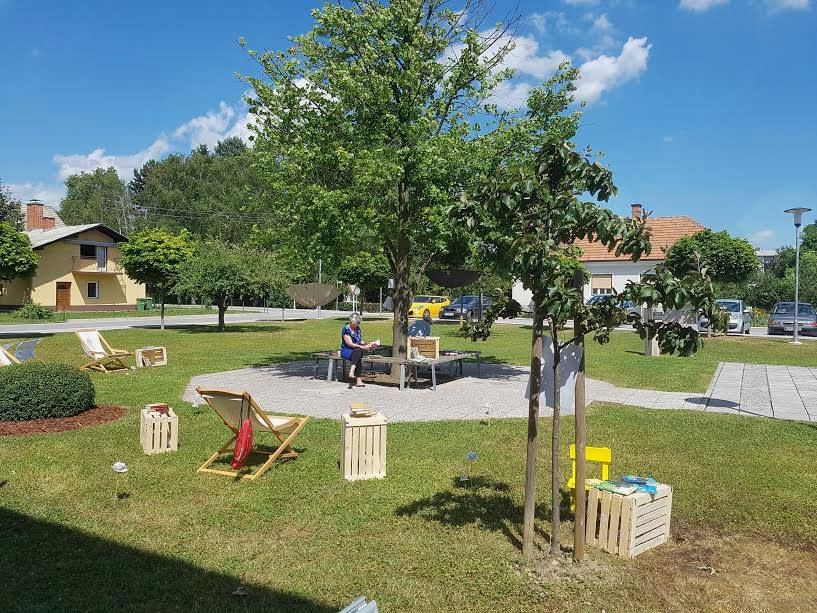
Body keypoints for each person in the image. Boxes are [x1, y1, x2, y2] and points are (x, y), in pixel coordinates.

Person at [341, 313, 373, 388]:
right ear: (351, 322)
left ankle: (352, 372)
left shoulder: (358, 328)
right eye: (356, 323)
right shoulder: (346, 329)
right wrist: (362, 347)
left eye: (358, 323)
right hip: (347, 350)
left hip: (356, 350)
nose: (358, 324)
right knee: (358, 351)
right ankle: (357, 379)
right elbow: (350, 344)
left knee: (358, 352)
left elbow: (358, 340)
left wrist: (366, 343)